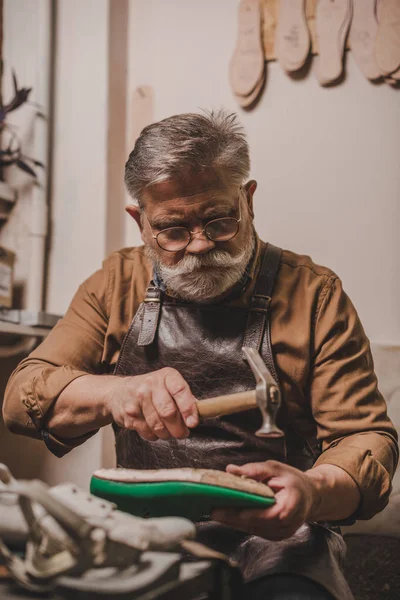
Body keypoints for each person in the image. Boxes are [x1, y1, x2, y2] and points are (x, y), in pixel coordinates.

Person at [3, 110, 398, 600]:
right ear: (140, 222)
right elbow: (23, 395)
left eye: (219, 220)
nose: (200, 245)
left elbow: (366, 437)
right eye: (172, 229)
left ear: (247, 200)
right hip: (143, 526)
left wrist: (312, 490)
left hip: (280, 536)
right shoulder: (116, 282)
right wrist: (115, 392)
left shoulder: (315, 295)